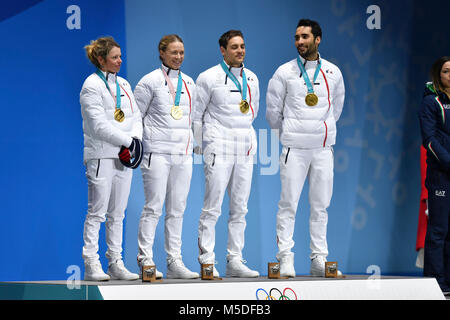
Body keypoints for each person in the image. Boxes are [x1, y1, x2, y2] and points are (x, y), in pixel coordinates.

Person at [266, 19, 345, 277]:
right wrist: (291, 134)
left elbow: (336, 109)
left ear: (317, 39)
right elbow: (272, 113)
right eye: (297, 37)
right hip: (294, 149)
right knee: (288, 204)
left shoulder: (333, 72)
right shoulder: (284, 72)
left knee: (321, 206)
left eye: (305, 37)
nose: (300, 42)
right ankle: (286, 258)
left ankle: (319, 259)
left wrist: (321, 132)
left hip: (323, 150)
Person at [193, 30, 260, 278]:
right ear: (223, 50)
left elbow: (253, 111)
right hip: (218, 148)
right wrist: (205, 145)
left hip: (244, 150)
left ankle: (234, 260)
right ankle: (207, 260)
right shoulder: (208, 77)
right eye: (234, 47)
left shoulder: (252, 78)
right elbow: (195, 115)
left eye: (242, 46)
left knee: (240, 208)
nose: (240, 51)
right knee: (213, 208)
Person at [134, 35, 199, 279]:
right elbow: (135, 117)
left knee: (177, 209)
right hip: (157, 154)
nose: (179, 57)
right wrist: (141, 148)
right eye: (173, 52)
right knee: (153, 207)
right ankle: (146, 260)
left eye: (181, 52)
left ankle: (175, 261)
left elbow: (192, 119)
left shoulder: (190, 83)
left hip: (183, 155)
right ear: (161, 53)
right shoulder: (148, 82)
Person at [80, 36, 143, 281]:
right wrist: (128, 142)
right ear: (100, 59)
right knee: (97, 212)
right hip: (101, 156)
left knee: (118, 213)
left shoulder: (125, 85)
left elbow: (136, 117)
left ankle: (115, 262)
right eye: (114, 57)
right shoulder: (91, 85)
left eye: (120, 56)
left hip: (123, 156)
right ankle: (91, 263)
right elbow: (98, 126)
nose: (120, 60)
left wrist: (135, 141)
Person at [418, 56, 450, 294]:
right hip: (441, 174)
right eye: (447, 71)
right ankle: (434, 285)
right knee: (438, 230)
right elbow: (429, 140)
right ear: (438, 75)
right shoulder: (431, 102)